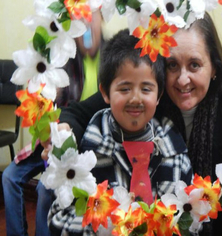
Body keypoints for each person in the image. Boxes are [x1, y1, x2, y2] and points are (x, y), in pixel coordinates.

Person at [44, 12, 222, 235]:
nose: (183, 80)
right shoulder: (149, 93)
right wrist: (64, 132)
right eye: (172, 65)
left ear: (214, 67)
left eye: (194, 64)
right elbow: (77, 112)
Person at [47, 28, 193, 235]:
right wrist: (106, 227)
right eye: (124, 89)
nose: (135, 98)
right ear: (105, 92)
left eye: (146, 89)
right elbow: (59, 219)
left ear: (159, 95)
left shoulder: (172, 148)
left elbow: (185, 218)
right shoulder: (87, 153)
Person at [1, 11, 103, 236]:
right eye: (80, 20)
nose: (86, 24)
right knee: (9, 176)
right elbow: (38, 101)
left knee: (45, 187)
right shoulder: (60, 57)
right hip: (50, 141)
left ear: (102, 19)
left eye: (91, 17)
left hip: (82, 147)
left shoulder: (110, 59)